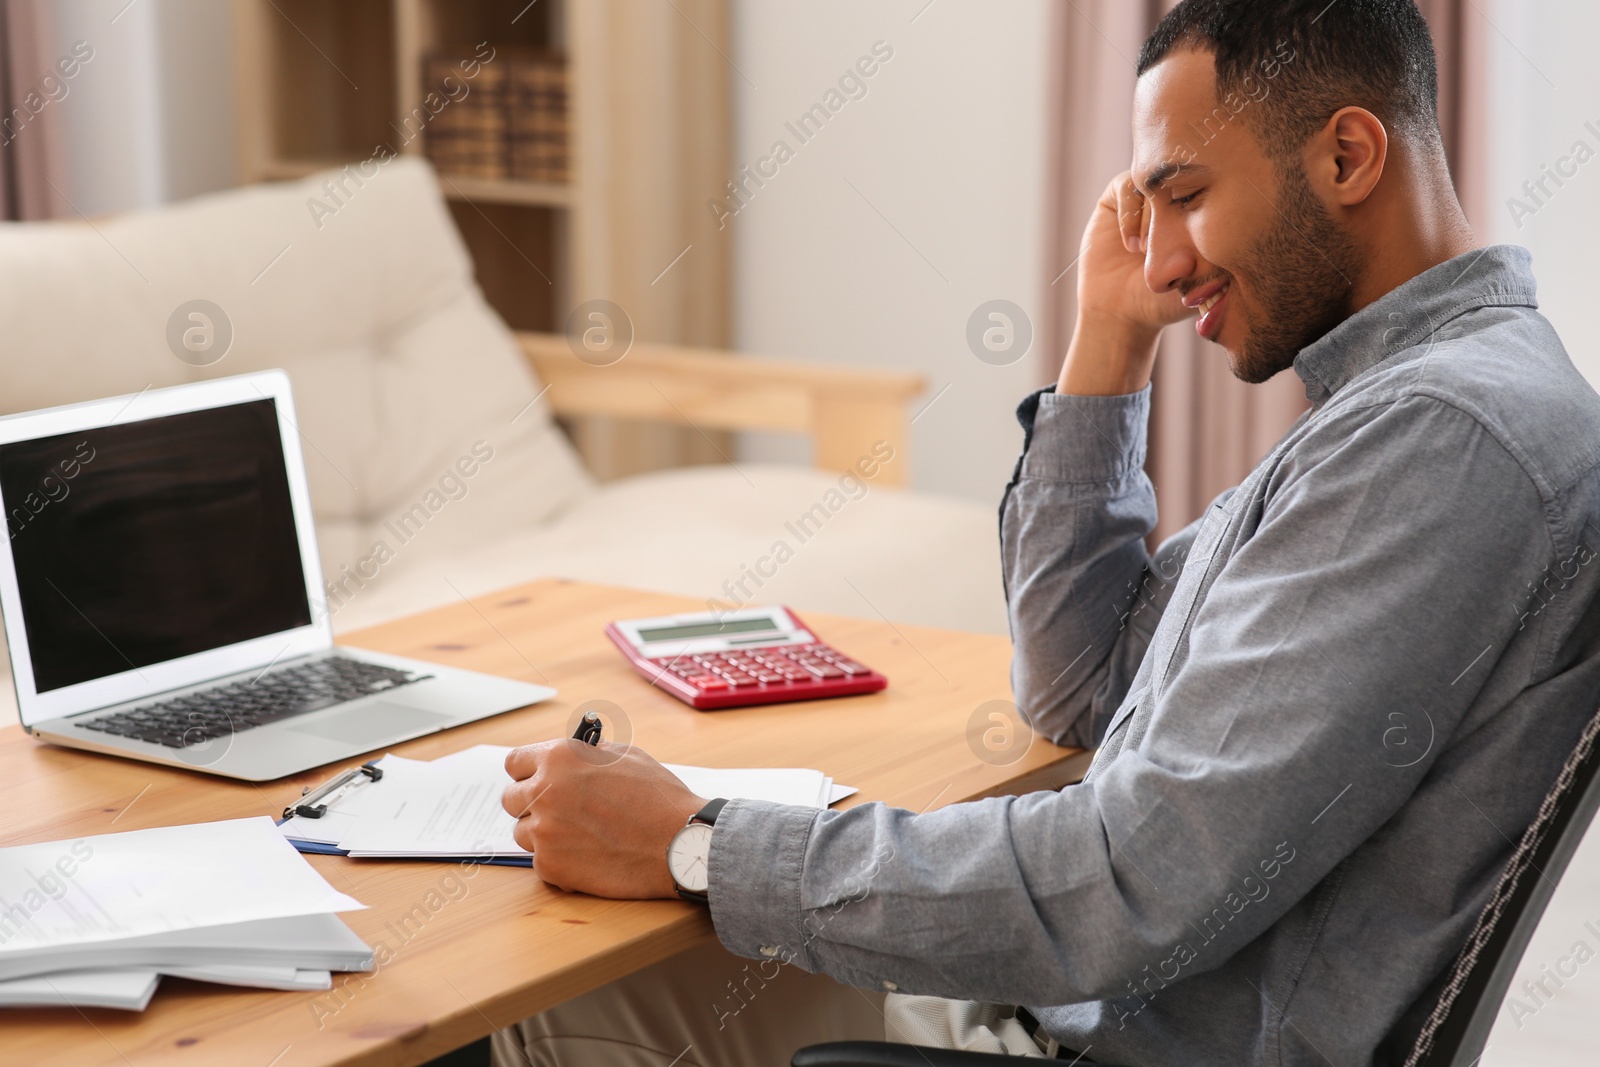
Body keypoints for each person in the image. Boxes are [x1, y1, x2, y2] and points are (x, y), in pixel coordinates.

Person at [494, 1, 1600, 1064]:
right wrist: (1108, 342)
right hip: (1090, 1013)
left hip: (1106, 1038)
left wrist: (696, 841)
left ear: (1347, 157)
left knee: (538, 990)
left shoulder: (1434, 438)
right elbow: (1082, 684)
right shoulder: (1420, 406)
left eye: (1188, 194)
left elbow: (1132, 880)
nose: (1162, 262)